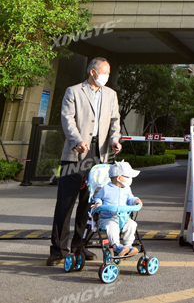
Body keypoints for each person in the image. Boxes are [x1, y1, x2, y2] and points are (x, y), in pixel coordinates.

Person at [48, 57, 122, 266]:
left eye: (108, 72)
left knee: (89, 204)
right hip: (76, 154)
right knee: (65, 203)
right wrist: (77, 141)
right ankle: (58, 250)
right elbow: (67, 119)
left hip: (99, 155)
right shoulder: (73, 91)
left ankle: (80, 246)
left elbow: (115, 121)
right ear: (92, 72)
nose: (106, 76)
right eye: (104, 72)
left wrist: (115, 140)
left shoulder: (111, 95)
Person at [92, 161, 142, 257]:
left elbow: (130, 198)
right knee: (112, 227)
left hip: (123, 217)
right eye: (128, 176)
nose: (130, 179)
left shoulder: (127, 189)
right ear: (119, 178)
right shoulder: (105, 188)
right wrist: (98, 203)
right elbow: (97, 197)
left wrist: (136, 201)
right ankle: (117, 246)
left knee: (132, 224)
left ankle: (128, 246)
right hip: (108, 218)